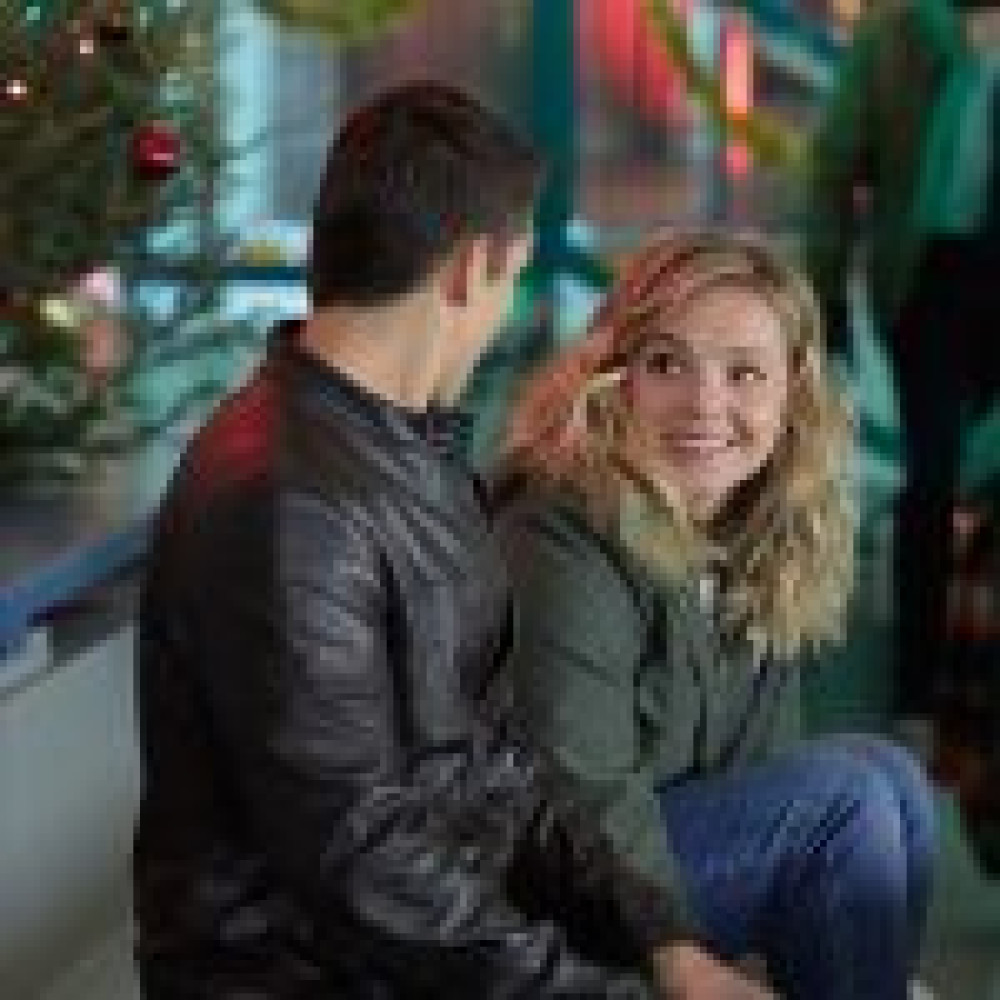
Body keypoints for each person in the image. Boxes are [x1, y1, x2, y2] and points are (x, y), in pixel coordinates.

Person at [134, 81, 737, 1000]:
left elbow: (500, 768)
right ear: (468, 270)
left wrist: (661, 940)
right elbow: (362, 866)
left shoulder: (405, 449)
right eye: (514, 276)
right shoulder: (287, 503)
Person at [500, 229, 938, 1000]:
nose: (706, 404)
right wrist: (678, 957)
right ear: (614, 374)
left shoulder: (755, 526)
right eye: (667, 364)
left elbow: (765, 769)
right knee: (844, 805)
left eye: (745, 374)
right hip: (554, 881)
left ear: (791, 395)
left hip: (664, 850)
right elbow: (576, 792)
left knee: (891, 778)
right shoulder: (562, 530)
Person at [803, 0, 1000, 724]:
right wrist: (825, 293)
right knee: (933, 477)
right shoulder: (896, 33)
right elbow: (834, 165)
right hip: (929, 282)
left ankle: (973, 676)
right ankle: (917, 689)